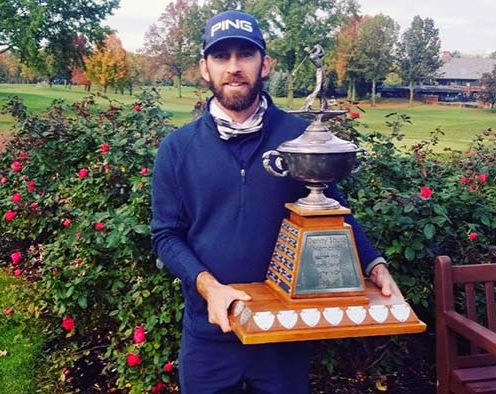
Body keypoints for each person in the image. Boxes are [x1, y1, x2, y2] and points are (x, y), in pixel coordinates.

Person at [151, 10, 400, 393]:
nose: (234, 67)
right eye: (221, 56)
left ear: (265, 64)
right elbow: (166, 235)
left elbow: (331, 212)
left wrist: (374, 264)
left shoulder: (301, 139)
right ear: (204, 68)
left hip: (284, 328)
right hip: (210, 331)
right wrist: (208, 286)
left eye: (245, 54)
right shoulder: (177, 148)